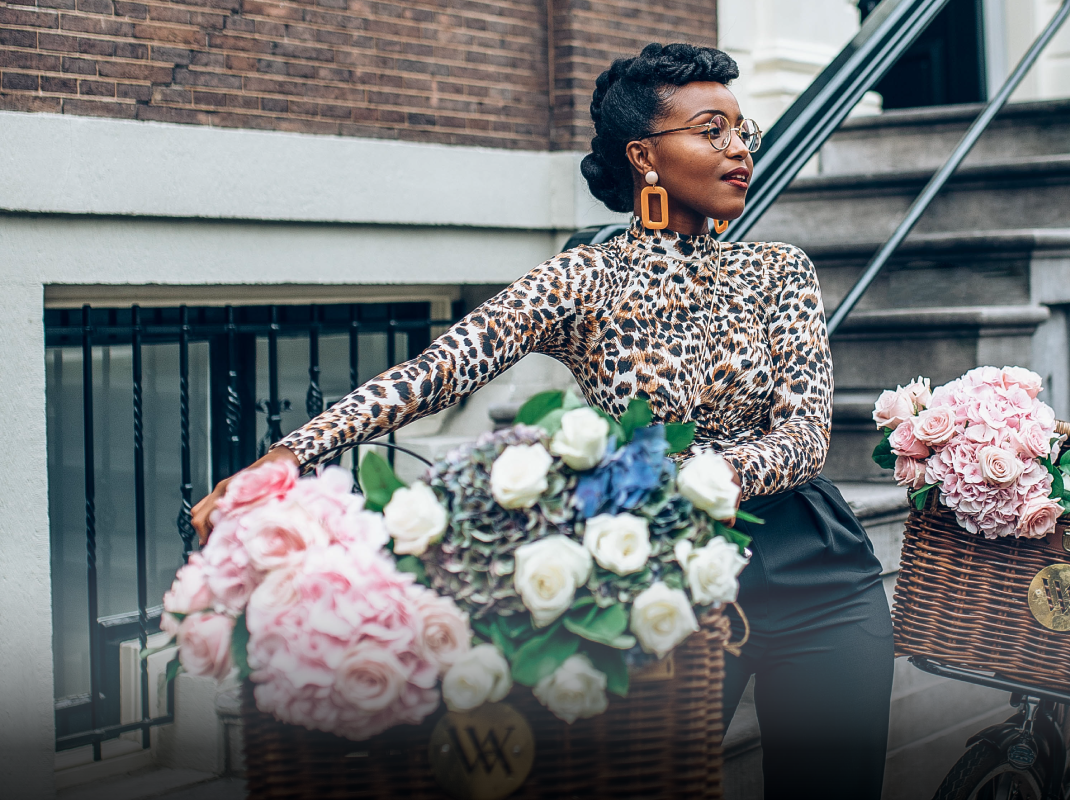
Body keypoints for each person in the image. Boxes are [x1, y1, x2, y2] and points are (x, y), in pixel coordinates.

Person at [191, 42, 894, 798]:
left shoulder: (779, 270)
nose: (740, 149)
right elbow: (444, 367)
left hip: (813, 570)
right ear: (644, 156)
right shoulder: (583, 278)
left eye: (741, 129)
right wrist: (293, 452)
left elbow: (804, 437)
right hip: (659, 581)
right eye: (711, 130)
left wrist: (696, 475)